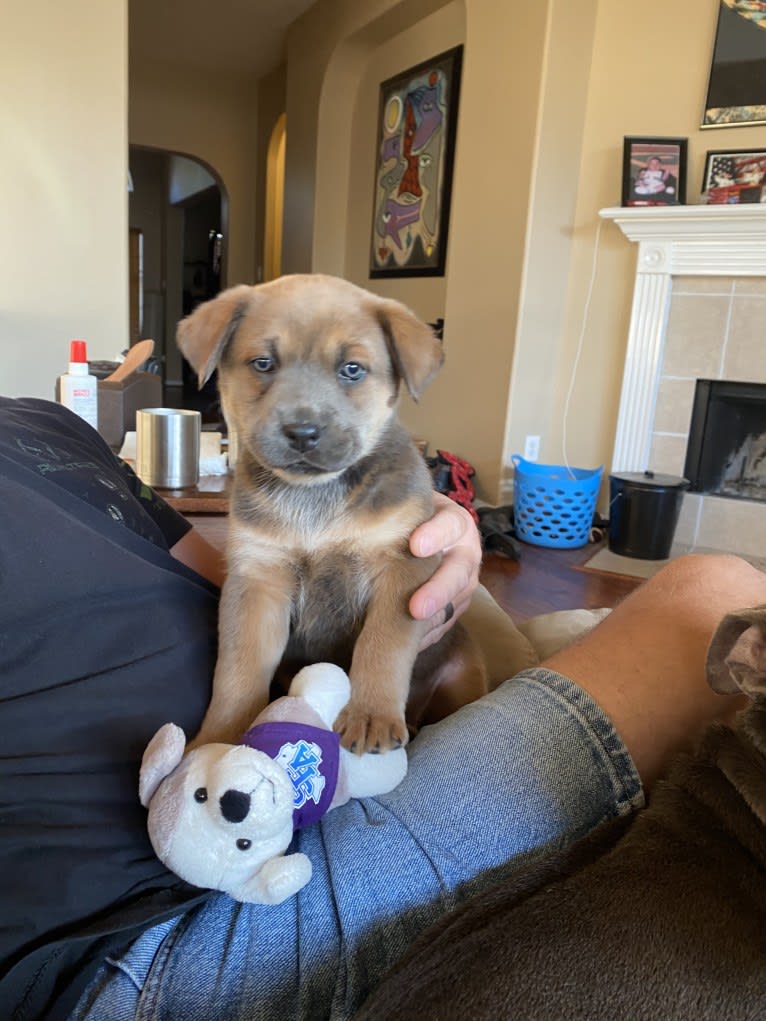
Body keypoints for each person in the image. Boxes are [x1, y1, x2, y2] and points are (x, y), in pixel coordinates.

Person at [1, 396, 763, 1021]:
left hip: (299, 735)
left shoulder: (48, 423)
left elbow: (232, 579)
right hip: (137, 944)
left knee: (688, 604)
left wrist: (395, 531)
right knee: (712, 596)